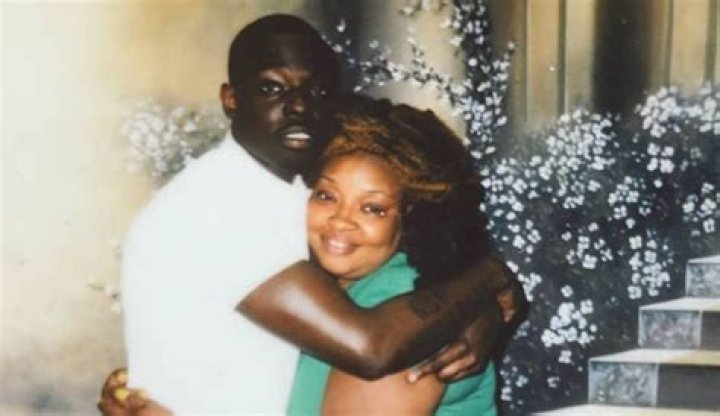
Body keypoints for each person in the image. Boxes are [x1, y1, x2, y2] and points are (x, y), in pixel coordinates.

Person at [99, 14, 525, 415]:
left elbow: (379, 344)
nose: (299, 106)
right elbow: (368, 344)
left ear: (408, 214)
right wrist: (488, 281)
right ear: (231, 99)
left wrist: (482, 306)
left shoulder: (295, 195)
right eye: (272, 88)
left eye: (373, 207)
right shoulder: (217, 206)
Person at [286, 95, 497, 415]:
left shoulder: (405, 303)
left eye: (373, 208)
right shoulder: (324, 288)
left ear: (410, 217)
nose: (341, 220)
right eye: (327, 196)